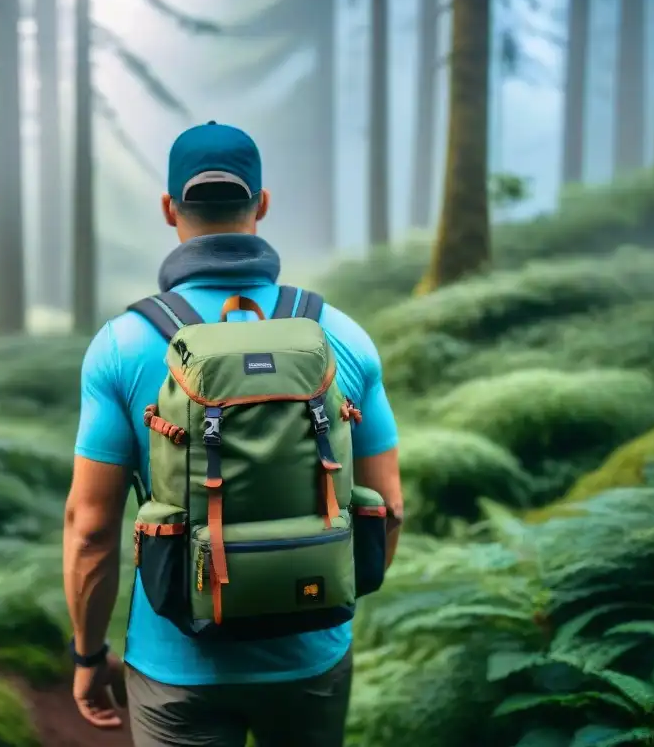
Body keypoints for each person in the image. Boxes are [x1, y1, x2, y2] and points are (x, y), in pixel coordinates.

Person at [63, 120, 403, 747]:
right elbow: (390, 509)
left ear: (170, 209)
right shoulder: (341, 337)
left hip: (176, 666)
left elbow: (89, 530)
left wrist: (88, 657)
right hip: (312, 658)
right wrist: (318, 598)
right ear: (263, 204)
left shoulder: (123, 345)